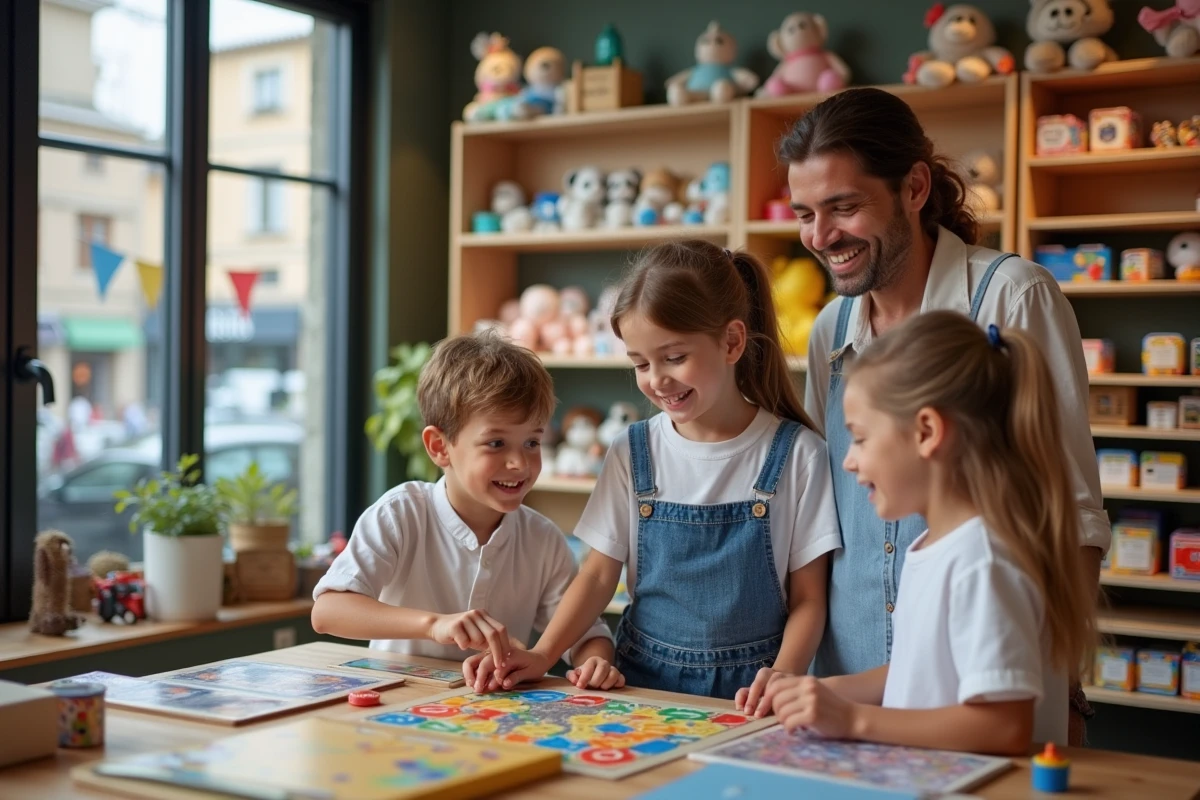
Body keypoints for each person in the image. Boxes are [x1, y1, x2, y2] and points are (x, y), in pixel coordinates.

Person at [780, 87, 1108, 742]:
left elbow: (1070, 506)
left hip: (990, 683)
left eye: (844, 207)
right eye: (805, 213)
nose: (821, 236)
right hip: (859, 667)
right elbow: (826, 504)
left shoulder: (1012, 296)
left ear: (915, 187)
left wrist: (1066, 682)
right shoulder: (830, 327)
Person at [481, 240, 842, 706]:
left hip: (753, 693)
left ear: (732, 341)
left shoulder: (800, 455)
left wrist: (782, 679)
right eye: (640, 363)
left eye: (674, 358)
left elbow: (810, 599)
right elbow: (595, 576)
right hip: (639, 684)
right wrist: (543, 651)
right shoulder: (633, 451)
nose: (657, 380)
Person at [763, 311, 1096, 754]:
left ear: (926, 432)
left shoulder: (984, 560)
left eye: (860, 439)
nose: (848, 461)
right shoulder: (936, 546)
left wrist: (853, 719)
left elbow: (1004, 726)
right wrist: (823, 690)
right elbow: (914, 671)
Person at [310, 331, 622, 691]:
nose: (519, 462)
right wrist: (434, 625)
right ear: (439, 447)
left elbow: (587, 634)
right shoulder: (401, 513)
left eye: (532, 442)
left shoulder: (542, 538)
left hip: (493, 718)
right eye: (496, 443)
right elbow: (328, 611)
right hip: (397, 709)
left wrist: (595, 661)